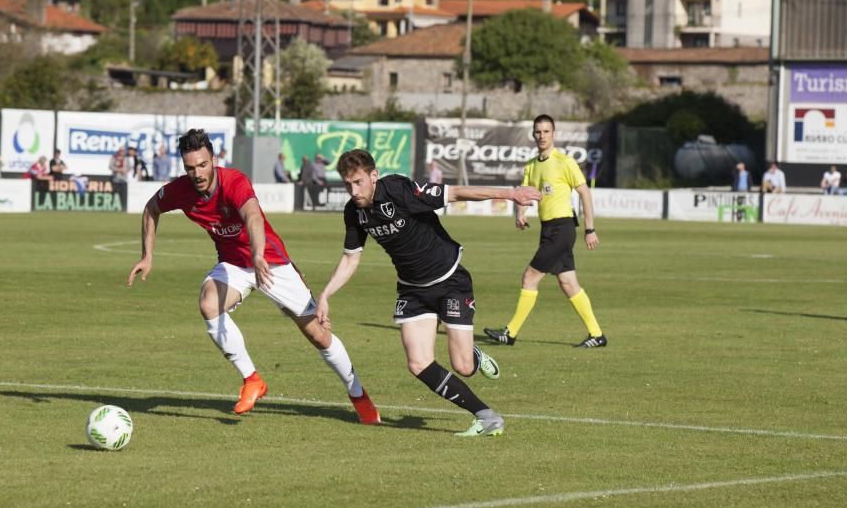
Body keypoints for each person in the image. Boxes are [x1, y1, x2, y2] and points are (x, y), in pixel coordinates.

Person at [126, 129, 379, 424]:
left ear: (214, 160)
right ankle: (252, 380)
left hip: (271, 263)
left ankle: (358, 395)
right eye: (190, 167)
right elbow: (151, 208)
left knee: (317, 334)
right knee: (209, 303)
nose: (197, 173)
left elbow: (253, 216)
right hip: (233, 265)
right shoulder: (180, 190)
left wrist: (258, 254)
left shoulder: (234, 181)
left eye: (203, 165)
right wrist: (147, 254)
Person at [315, 148, 541, 437]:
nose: (353, 190)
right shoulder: (354, 212)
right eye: (347, 184)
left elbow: (456, 193)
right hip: (412, 290)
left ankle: (472, 355)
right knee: (418, 363)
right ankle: (487, 417)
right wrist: (326, 295)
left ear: (374, 176)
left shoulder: (398, 189)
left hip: (449, 281)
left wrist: (510, 194)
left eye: (358, 182)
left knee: (463, 365)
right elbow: (350, 258)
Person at [484, 114, 607, 350]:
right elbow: (525, 192)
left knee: (530, 277)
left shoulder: (564, 162)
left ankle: (510, 333)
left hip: (563, 228)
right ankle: (597, 334)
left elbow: (584, 193)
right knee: (568, 283)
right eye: (538, 132)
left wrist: (590, 229)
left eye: (546, 131)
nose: (542, 136)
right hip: (548, 229)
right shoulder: (531, 165)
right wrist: (521, 213)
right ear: (533, 134)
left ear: (554, 134)